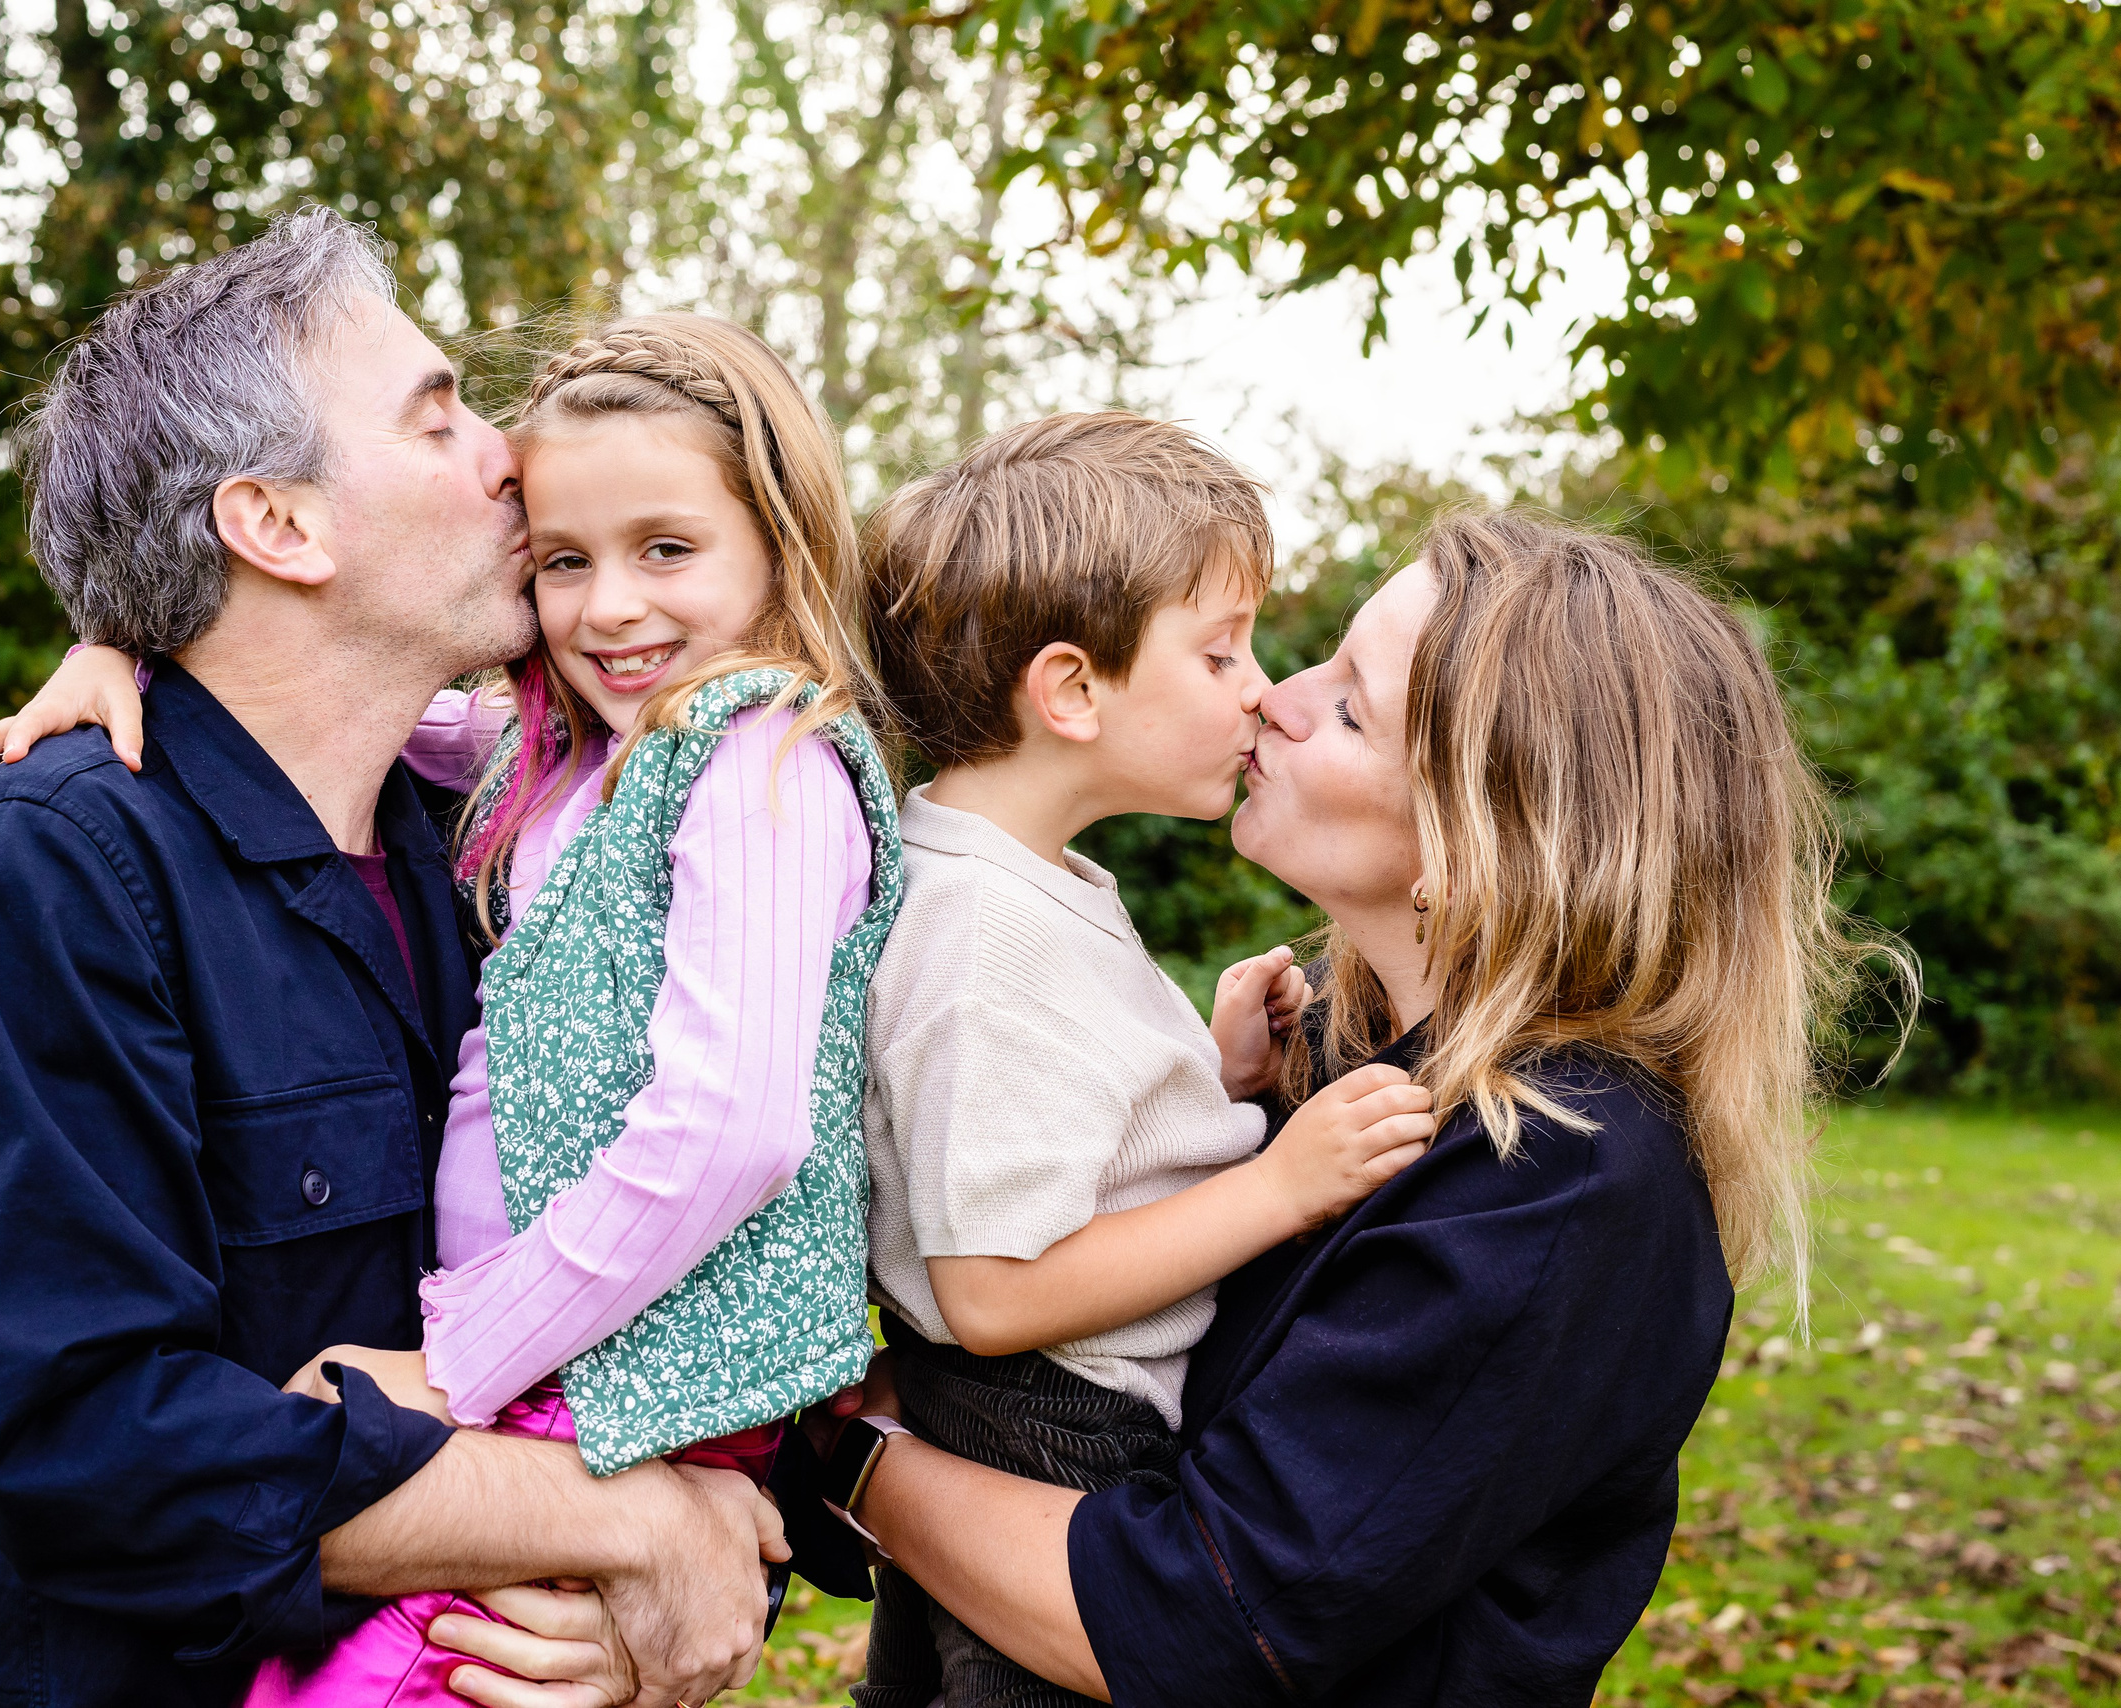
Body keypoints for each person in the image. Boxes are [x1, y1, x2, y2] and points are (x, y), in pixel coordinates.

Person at [0, 211, 780, 1708]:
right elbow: (92, 1449)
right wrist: (628, 1520)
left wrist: (668, 1564)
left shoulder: (495, 847)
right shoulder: (45, 877)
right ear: (279, 526)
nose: (509, 455)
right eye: (439, 415)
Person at [812, 510, 1910, 1705]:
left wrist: (859, 1458)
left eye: (1348, 708)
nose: (1274, 697)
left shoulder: (1563, 1175)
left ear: (1473, 839)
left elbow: (1201, 1623)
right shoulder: (1334, 1041)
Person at [840, 414, 1438, 1708]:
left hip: (1025, 1403)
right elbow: (997, 1285)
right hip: (1049, 1417)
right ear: (1070, 692)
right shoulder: (982, 933)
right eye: (1220, 652)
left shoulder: (1012, 877)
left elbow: (1044, 1144)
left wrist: (1205, 1084)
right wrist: (1277, 1186)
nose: (1260, 691)